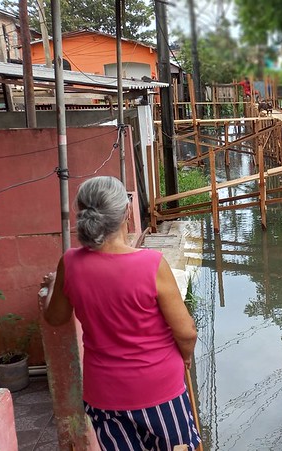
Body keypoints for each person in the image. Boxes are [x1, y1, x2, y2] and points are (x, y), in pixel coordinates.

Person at [45, 176, 201, 451]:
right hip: (159, 389)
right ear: (126, 211)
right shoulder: (151, 264)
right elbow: (186, 331)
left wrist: (51, 288)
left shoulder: (69, 263)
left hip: (103, 394)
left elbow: (55, 317)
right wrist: (186, 355)